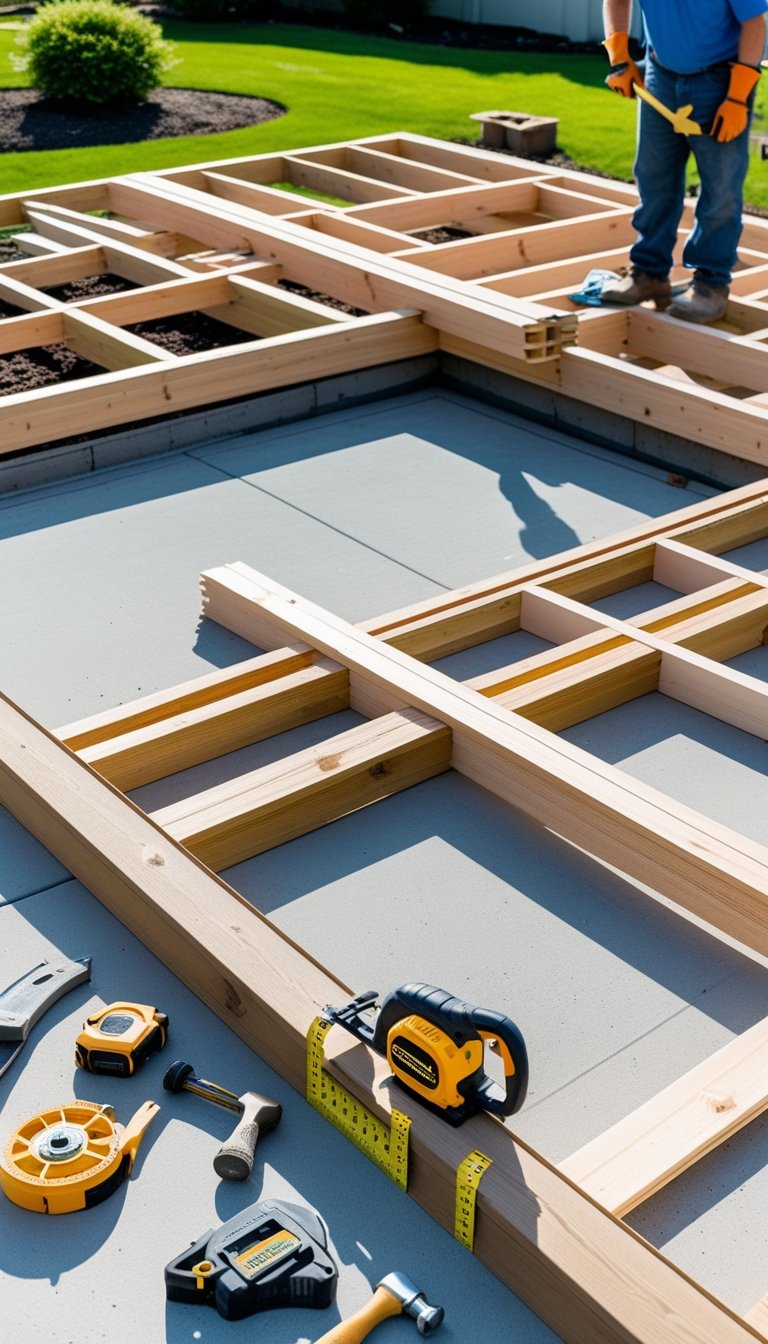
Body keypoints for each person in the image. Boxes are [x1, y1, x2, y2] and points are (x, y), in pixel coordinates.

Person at [600, 0, 767, 322]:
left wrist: (736, 97)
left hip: (718, 82)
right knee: (653, 178)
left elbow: (755, 24)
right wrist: (620, 58)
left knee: (720, 191)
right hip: (659, 74)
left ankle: (710, 285)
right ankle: (649, 274)